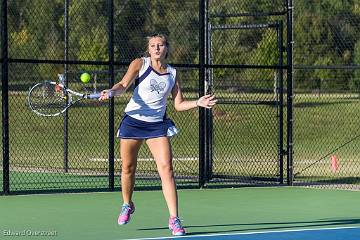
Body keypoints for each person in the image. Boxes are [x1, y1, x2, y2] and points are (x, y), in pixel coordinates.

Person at [99, 33, 217, 236]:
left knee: (167, 169)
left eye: (160, 45)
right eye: (153, 45)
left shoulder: (172, 73)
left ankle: (174, 219)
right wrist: (111, 91)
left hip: (157, 125)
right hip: (133, 122)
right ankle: (127, 204)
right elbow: (123, 85)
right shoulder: (140, 64)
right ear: (149, 49)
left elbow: (178, 105)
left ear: (166, 49)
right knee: (128, 168)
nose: (156, 48)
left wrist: (198, 102)